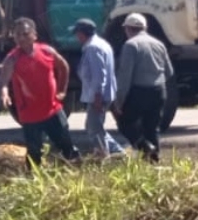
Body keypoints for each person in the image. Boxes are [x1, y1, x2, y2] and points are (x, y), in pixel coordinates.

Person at [0, 17, 80, 168]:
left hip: (53, 110)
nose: (21, 38)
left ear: (34, 34)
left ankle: (77, 173)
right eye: (17, 35)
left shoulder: (47, 51)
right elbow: (3, 81)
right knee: (35, 153)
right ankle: (34, 179)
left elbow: (64, 67)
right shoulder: (12, 59)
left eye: (25, 34)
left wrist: (62, 90)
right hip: (30, 115)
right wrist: (4, 94)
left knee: (68, 147)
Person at [114, 13, 174, 163]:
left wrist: (119, 101)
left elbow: (125, 76)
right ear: (145, 28)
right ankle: (154, 160)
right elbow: (169, 72)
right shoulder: (158, 44)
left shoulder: (131, 45)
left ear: (128, 29)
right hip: (159, 90)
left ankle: (145, 146)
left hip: (138, 91)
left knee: (125, 123)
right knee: (152, 127)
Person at [71, 18, 126, 159]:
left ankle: (105, 154)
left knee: (94, 128)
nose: (76, 37)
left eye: (77, 33)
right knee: (94, 126)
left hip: (98, 95)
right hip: (102, 93)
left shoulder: (93, 48)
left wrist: (97, 96)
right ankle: (117, 152)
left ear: (83, 33)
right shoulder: (101, 44)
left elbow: (99, 74)